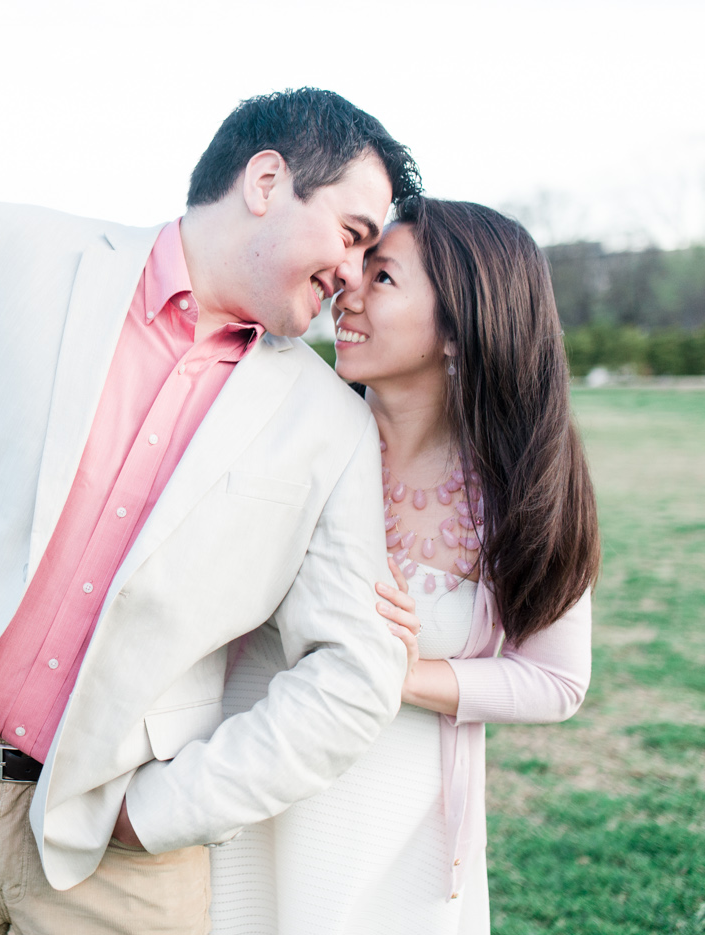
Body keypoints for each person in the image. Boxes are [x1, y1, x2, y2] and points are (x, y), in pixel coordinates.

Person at [0, 88, 420, 935]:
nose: (354, 274)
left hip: (124, 858)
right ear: (267, 180)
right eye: (352, 235)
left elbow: (352, 675)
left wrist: (166, 809)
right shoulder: (11, 250)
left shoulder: (333, 424)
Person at [209, 198, 599, 934]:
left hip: (392, 841)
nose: (345, 289)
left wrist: (399, 672)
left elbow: (556, 680)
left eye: (381, 277)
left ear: (458, 327)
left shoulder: (524, 492)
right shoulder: (283, 427)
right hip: (240, 799)